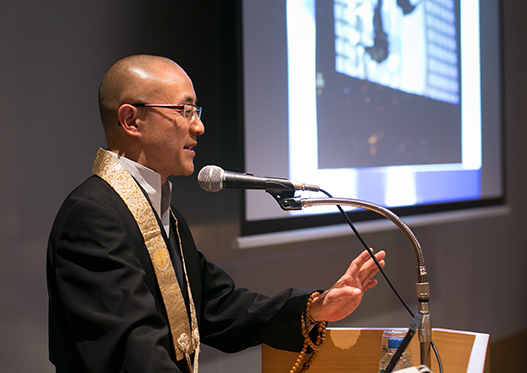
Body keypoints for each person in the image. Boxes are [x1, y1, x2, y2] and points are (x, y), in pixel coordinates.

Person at [46, 54, 386, 373]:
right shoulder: (92, 216)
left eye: (197, 111)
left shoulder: (164, 213)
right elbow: (132, 350)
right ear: (131, 120)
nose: (199, 127)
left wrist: (315, 308)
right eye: (185, 110)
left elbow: (217, 306)